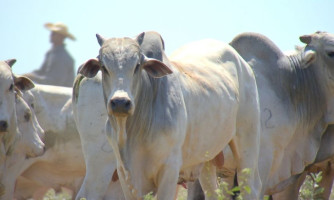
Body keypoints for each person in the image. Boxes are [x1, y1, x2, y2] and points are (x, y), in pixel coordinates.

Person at [24, 22, 76, 87]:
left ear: (61, 37)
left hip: (62, 95)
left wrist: (32, 77)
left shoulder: (63, 57)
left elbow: (55, 83)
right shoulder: (50, 54)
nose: (51, 35)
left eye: (54, 33)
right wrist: (26, 76)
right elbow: (41, 72)